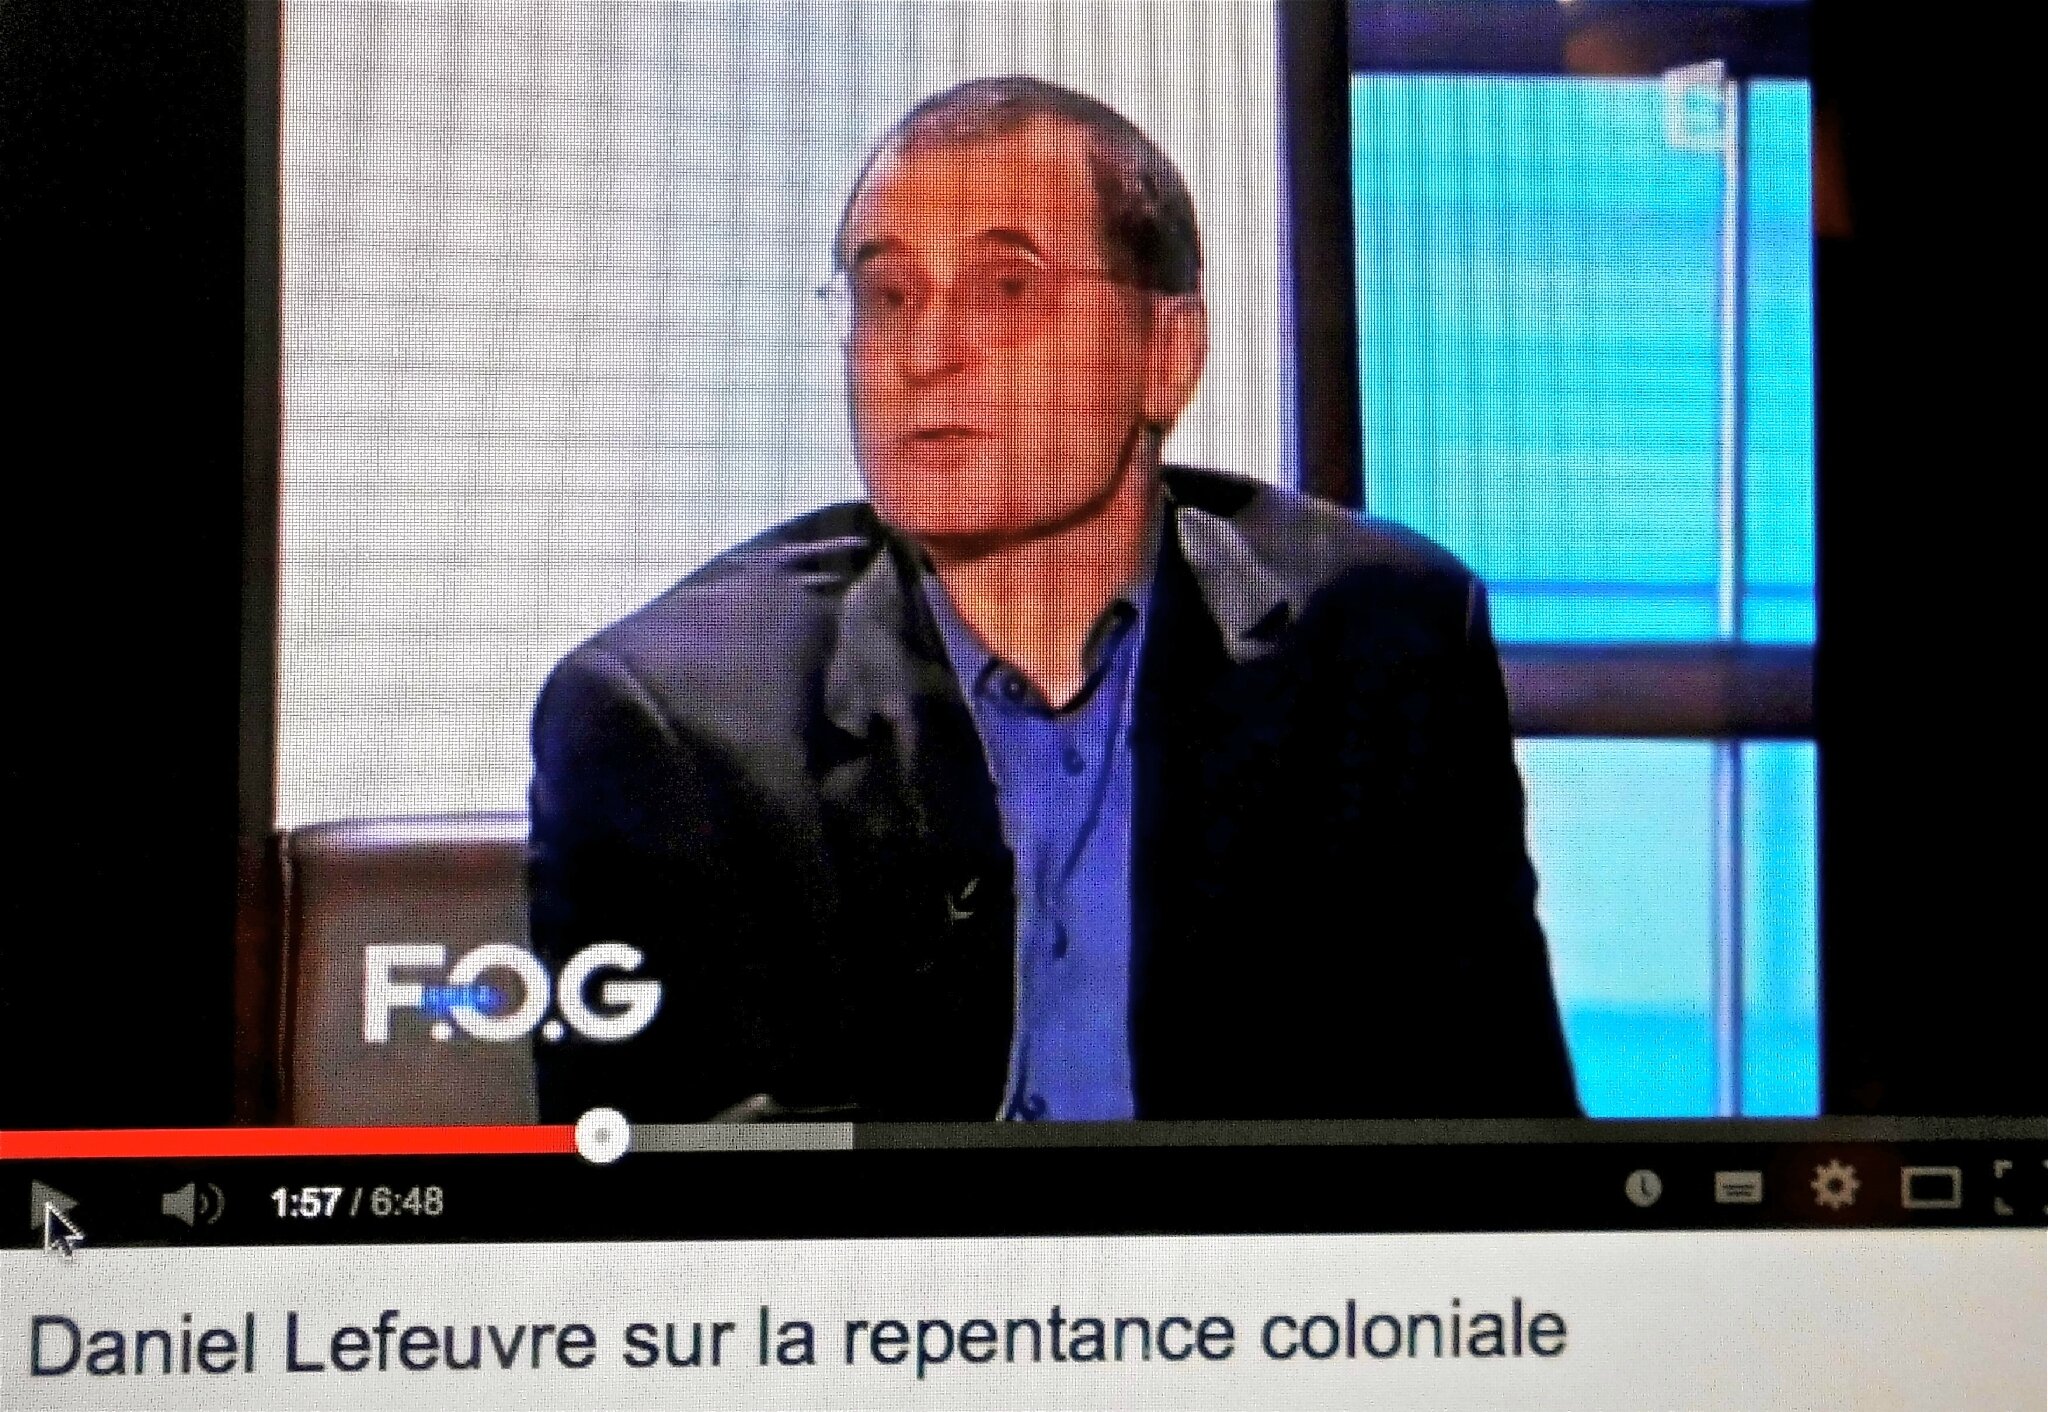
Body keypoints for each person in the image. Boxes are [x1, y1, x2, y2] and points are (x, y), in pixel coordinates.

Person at [527, 76, 1578, 1122]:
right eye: (887, 297)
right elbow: (657, 1191)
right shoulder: (668, 722)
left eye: (1006, 289)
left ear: (1167, 355)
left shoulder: (1385, 646)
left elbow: (1501, 1125)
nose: (925, 354)